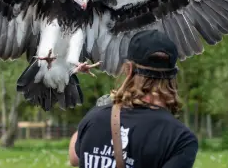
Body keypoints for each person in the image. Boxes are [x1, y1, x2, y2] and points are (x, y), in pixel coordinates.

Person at [68, 30, 199, 168]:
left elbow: (74, 157)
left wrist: (104, 107)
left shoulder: (95, 118)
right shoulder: (180, 139)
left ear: (129, 69)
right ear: (172, 76)